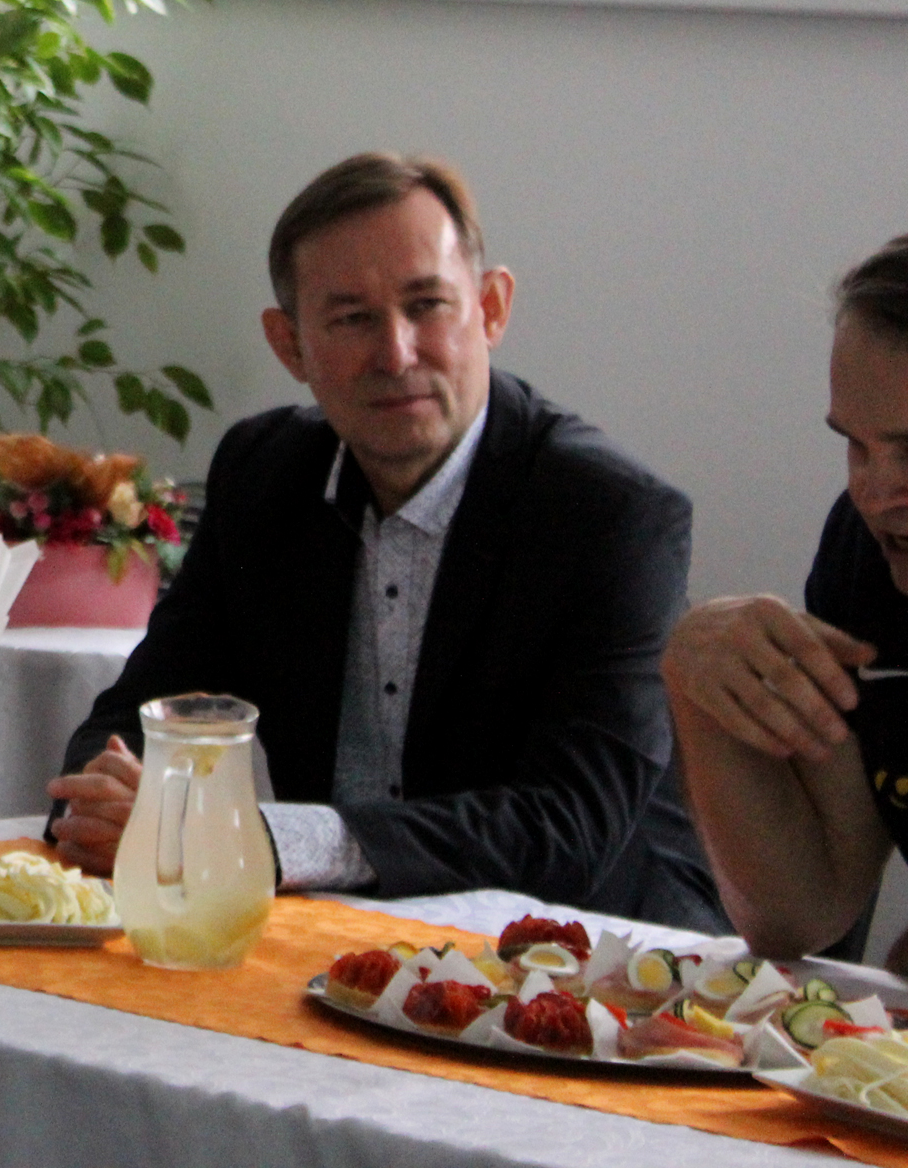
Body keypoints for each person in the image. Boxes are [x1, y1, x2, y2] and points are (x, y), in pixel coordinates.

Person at [49, 151, 722, 929]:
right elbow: (141, 710)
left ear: (491, 308)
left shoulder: (610, 513)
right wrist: (106, 796)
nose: (396, 354)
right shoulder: (266, 475)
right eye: (352, 319)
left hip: (593, 951)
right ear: (290, 345)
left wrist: (260, 840)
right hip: (338, 938)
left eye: (427, 305)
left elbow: (568, 828)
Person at [663, 235, 908, 963]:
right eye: (856, 446)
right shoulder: (864, 555)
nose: (874, 491)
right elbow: (801, 915)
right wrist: (700, 686)